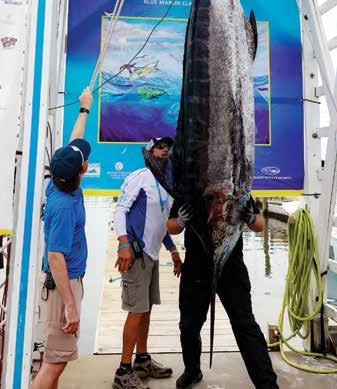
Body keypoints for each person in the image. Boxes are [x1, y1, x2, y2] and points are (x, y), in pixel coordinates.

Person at [167, 198, 279, 389]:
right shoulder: (190, 191)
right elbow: (171, 227)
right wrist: (181, 221)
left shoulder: (238, 193)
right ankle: (192, 371)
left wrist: (251, 218)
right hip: (196, 269)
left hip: (231, 269)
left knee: (245, 324)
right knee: (189, 325)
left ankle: (267, 385)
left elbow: (259, 225)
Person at [32, 88, 93, 389]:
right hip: (62, 288)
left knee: (55, 359)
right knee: (54, 365)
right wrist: (70, 305)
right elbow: (55, 256)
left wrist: (84, 109)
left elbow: (73, 141)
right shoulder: (65, 206)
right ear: (84, 170)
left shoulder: (59, 182)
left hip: (64, 285)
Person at [112, 137, 182, 389]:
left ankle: (142, 361)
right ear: (149, 152)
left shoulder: (167, 184)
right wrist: (123, 244)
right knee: (136, 311)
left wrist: (172, 250)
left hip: (153, 255)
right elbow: (120, 210)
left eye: (167, 148)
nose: (165, 151)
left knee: (146, 309)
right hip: (136, 254)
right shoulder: (139, 177)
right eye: (159, 147)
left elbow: (161, 223)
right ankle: (123, 372)